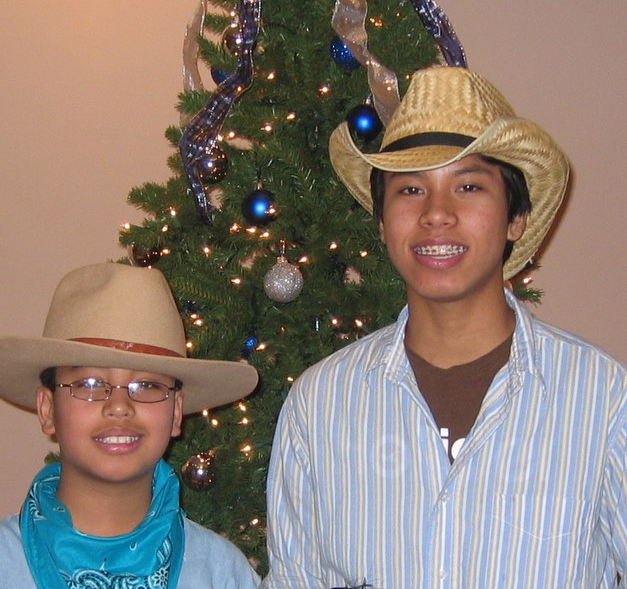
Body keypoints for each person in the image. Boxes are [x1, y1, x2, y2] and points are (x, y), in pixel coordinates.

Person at [262, 65, 627, 588]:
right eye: (411, 190)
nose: (437, 214)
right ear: (382, 223)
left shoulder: (602, 399)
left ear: (515, 218)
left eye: (468, 186)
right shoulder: (320, 404)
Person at [0, 262, 260, 589]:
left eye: (147, 385)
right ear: (48, 409)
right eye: (90, 384)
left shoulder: (220, 572)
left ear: (176, 412)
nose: (120, 407)